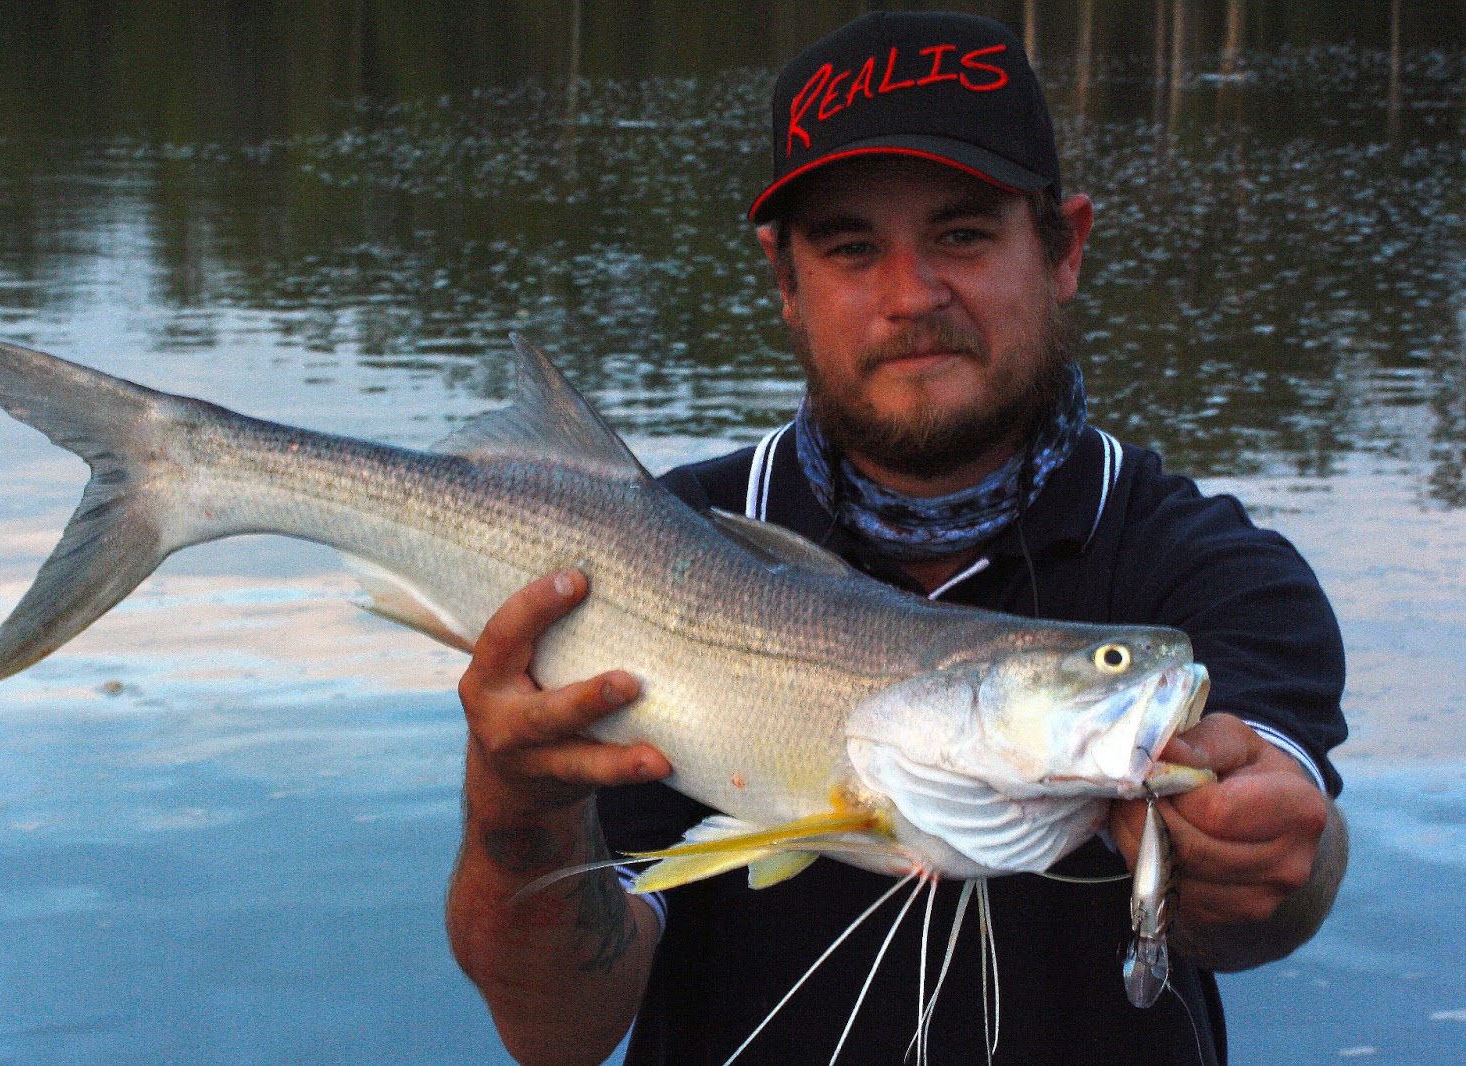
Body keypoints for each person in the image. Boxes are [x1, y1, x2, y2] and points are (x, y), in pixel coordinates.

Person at [446, 12, 1348, 1066]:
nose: (911, 297)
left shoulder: (1206, 573)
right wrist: (516, 810)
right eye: (850, 247)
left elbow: (1268, 896)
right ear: (783, 280)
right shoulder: (643, 559)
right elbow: (555, 1033)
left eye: (963, 233)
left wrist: (1277, 849)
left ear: (1064, 248)